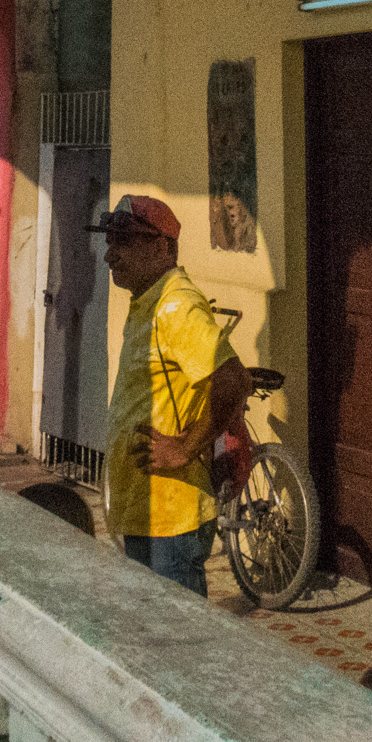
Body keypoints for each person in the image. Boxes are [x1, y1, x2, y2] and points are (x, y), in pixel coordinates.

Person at [94, 194, 249, 596]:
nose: (111, 255)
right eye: (109, 241)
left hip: (172, 518)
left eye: (124, 241)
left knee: (177, 646)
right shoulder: (149, 301)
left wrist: (185, 448)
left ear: (164, 247)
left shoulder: (175, 305)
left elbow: (232, 380)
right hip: (148, 512)